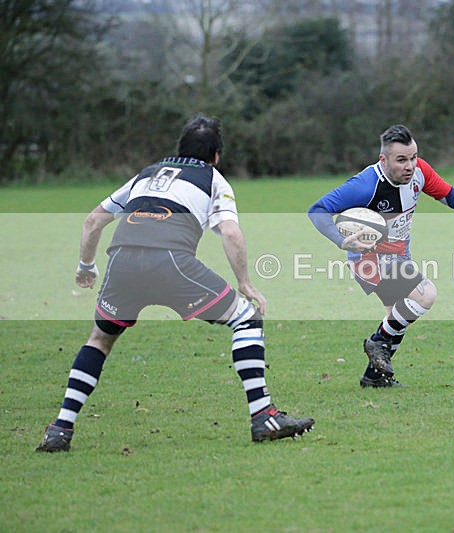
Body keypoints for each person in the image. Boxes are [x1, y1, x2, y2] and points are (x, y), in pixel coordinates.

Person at [36, 115, 314, 452]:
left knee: (100, 339)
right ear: (216, 155)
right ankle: (263, 416)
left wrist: (86, 266)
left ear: (179, 149)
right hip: (169, 262)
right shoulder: (213, 178)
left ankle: (60, 429)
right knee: (246, 318)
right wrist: (246, 283)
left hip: (121, 262)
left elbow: (94, 220)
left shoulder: (146, 174)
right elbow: (230, 232)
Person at [308, 124, 454, 387]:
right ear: (383, 160)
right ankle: (376, 343)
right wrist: (341, 241)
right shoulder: (365, 185)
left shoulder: (419, 172)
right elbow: (318, 209)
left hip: (399, 254)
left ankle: (375, 377)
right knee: (425, 295)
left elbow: (451, 195)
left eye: (413, 157)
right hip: (368, 258)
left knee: (397, 318)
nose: (410, 165)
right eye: (401, 160)